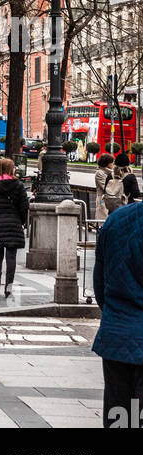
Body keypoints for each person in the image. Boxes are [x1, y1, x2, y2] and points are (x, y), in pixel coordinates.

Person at [92, 191, 143, 428]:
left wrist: (115, 314)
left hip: (117, 335)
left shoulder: (115, 220)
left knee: (119, 416)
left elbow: (100, 284)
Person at [0, 156, 29, 296]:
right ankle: (8, 286)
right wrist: (21, 222)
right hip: (14, 224)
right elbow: (24, 207)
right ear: (11, 169)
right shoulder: (18, 185)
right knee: (11, 256)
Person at [96, 153, 125, 220]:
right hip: (103, 198)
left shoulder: (111, 172)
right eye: (112, 162)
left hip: (111, 198)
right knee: (103, 216)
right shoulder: (100, 173)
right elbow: (106, 187)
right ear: (107, 163)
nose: (113, 164)